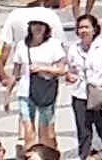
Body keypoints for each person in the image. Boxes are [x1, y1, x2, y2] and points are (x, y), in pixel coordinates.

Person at [6, 16, 67, 156]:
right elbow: (15, 72)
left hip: (45, 91)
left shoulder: (53, 45)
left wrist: (43, 69)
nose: (37, 28)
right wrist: (7, 95)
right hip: (25, 92)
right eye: (34, 25)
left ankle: (50, 156)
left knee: (47, 133)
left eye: (41, 25)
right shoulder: (22, 45)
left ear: (46, 28)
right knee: (28, 131)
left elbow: (62, 70)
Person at [67, 13, 102, 159]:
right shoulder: (74, 49)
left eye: (86, 27)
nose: (83, 30)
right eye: (80, 28)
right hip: (80, 95)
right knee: (83, 133)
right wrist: (69, 77)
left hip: (100, 94)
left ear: (94, 29)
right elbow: (70, 71)